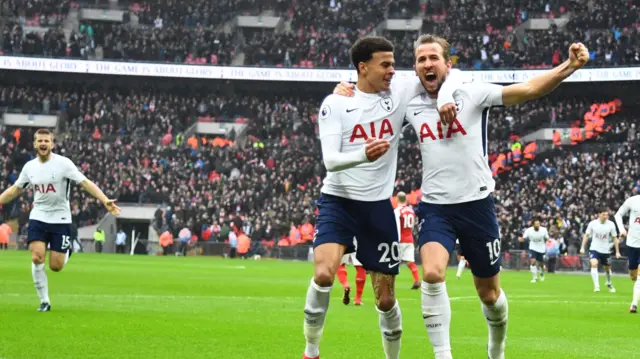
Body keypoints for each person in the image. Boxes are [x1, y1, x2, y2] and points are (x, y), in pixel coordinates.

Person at [334, 34, 589, 359]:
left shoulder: (472, 91)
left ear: (447, 64)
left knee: (489, 294)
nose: (427, 64)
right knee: (432, 272)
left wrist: (569, 66)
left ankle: (496, 349)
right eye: (421, 60)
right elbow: (368, 92)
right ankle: (444, 354)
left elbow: (527, 90)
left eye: (433, 58)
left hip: (477, 205)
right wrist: (344, 91)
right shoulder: (408, 101)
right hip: (436, 207)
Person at [302, 36, 425, 359]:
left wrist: (445, 99)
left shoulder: (400, 91)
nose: (392, 71)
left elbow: (442, 72)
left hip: (377, 207)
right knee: (324, 273)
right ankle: (311, 351)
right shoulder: (335, 103)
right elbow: (330, 160)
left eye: (394, 64)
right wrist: (362, 155)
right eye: (385, 64)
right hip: (338, 202)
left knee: (385, 300)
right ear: (363, 67)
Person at [0, 128, 120, 312]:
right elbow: (16, 189)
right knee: (37, 257)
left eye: (46, 141)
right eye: (40, 141)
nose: (43, 144)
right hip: (38, 216)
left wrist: (104, 200)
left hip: (60, 218)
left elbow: (85, 182)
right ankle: (44, 301)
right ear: (34, 143)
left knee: (56, 266)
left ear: (52, 144)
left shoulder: (64, 164)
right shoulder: (29, 167)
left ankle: (68, 250)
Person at [581, 209, 620, 293]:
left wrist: (617, 251)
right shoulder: (592, 224)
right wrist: (582, 247)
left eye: (607, 215)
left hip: (606, 250)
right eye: (603, 215)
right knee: (594, 263)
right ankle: (596, 286)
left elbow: (615, 238)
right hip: (594, 248)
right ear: (599, 215)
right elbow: (586, 235)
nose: (605, 216)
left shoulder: (611, 224)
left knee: (607, 268)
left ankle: (609, 282)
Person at [614, 195, 640, 313]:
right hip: (632, 243)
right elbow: (618, 214)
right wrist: (622, 230)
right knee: (633, 276)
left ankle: (634, 304)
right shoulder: (632, 200)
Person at [394, 192, 421, 289]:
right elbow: (413, 224)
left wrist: (396, 239)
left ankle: (390, 283)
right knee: (410, 261)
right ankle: (417, 280)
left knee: (393, 262)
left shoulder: (397, 211)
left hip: (400, 239)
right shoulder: (411, 211)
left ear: (397, 199)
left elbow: (396, 226)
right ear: (406, 199)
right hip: (409, 238)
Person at [336, 240, 367, 305]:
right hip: (357, 237)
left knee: (340, 264)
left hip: (342, 236)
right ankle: (358, 299)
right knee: (360, 267)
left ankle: (345, 284)